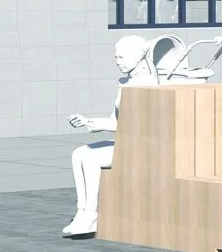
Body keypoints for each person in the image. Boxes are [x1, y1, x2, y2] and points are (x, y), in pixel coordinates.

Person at [60, 35, 160, 235]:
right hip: (127, 139)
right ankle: (83, 211)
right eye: (116, 58)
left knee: (89, 157)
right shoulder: (124, 82)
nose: (118, 62)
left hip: (142, 144)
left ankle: (92, 213)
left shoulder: (146, 84)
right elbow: (116, 122)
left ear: (137, 57)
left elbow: (141, 125)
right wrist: (88, 121)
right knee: (78, 153)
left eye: (122, 57)